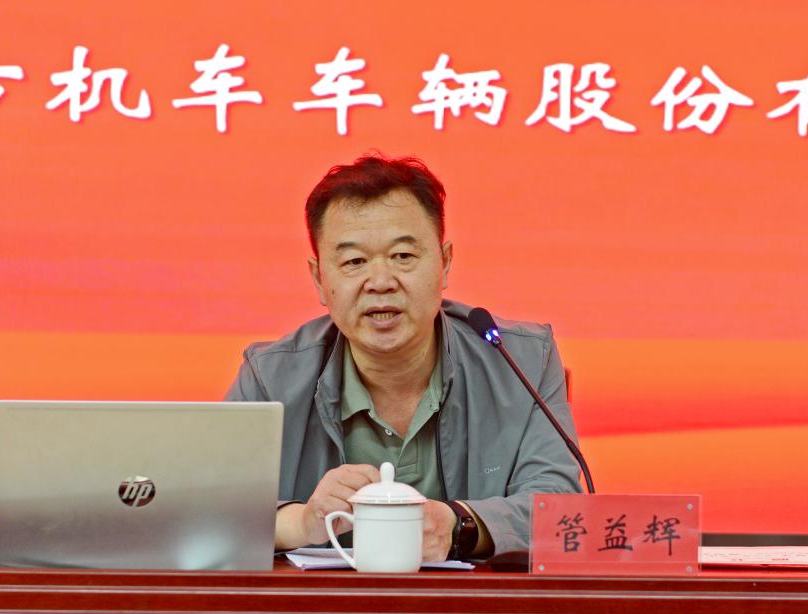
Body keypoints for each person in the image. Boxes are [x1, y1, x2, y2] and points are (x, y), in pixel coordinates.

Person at [226, 153, 582, 561]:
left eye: (403, 257)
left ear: (444, 264)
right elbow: (210, 512)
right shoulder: (270, 377)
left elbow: (560, 511)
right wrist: (302, 522)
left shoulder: (522, 361)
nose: (380, 282)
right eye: (354, 262)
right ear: (319, 278)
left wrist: (459, 525)